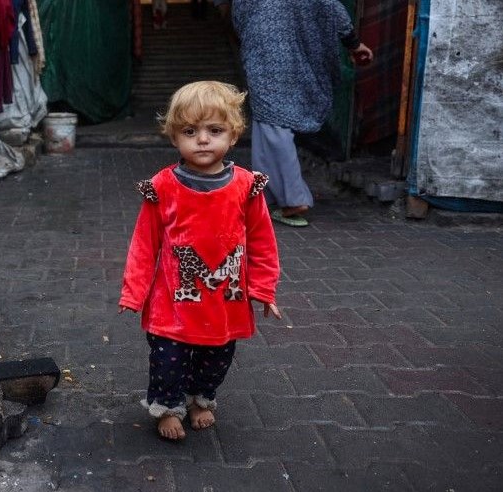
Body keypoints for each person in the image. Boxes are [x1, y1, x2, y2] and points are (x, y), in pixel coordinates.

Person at [119, 81, 282, 440]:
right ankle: (168, 406)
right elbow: (144, 244)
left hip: (225, 299)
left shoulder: (246, 186)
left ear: (234, 135)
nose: (203, 139)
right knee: (167, 360)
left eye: (214, 130)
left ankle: (200, 399)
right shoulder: (163, 186)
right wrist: (134, 293)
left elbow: (262, 242)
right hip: (172, 303)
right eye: (190, 131)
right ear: (175, 137)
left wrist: (264, 288)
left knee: (217, 358)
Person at [231, 0, 374, 227]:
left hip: (263, 52)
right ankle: (269, 196)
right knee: (270, 124)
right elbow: (331, 6)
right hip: (298, 54)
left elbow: (238, 17)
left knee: (272, 125)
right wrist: (353, 44)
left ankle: (292, 199)